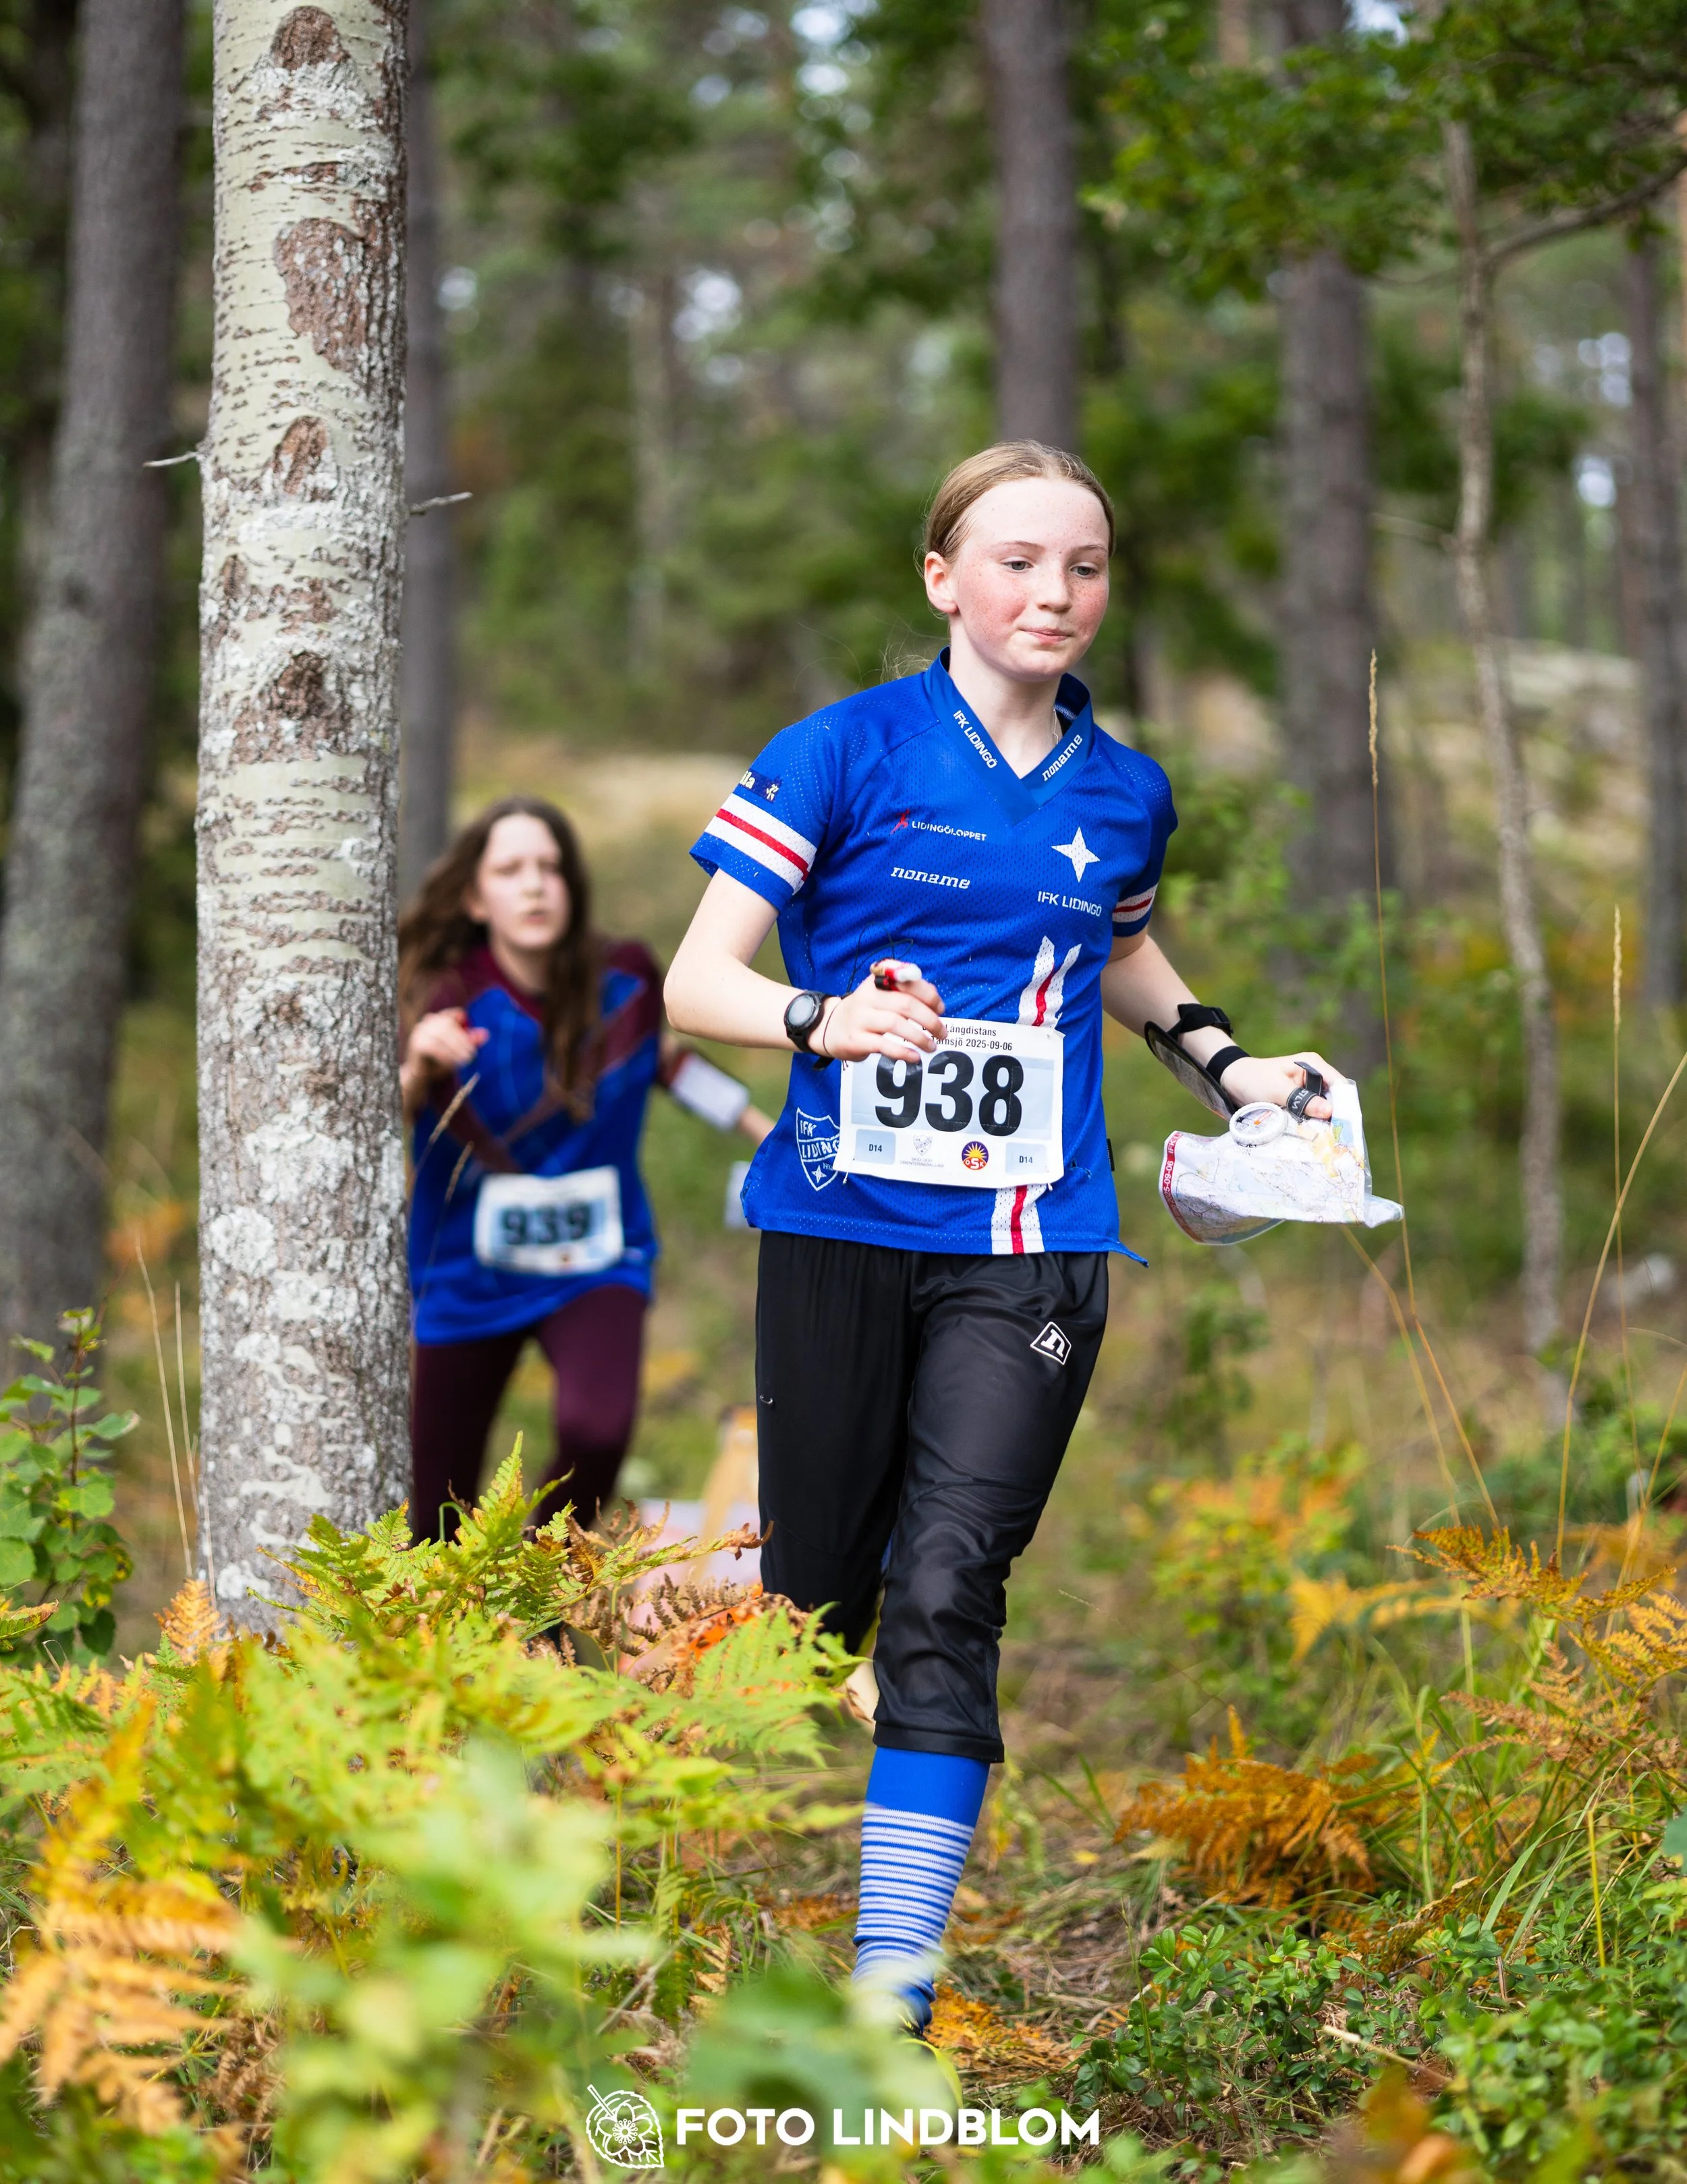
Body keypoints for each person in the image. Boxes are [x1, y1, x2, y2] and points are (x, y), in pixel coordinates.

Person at [664, 441, 1335, 2033]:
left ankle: (891, 1993)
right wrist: (823, 1018)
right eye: (1019, 560)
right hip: (838, 1219)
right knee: (815, 1609)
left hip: (1033, 1235)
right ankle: (647, 1884)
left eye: (1084, 566)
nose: (1055, 593)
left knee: (954, 1581)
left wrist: (1235, 1064)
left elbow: (1119, 947)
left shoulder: (1123, 789)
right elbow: (697, 985)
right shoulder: (838, 753)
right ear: (942, 578)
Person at [401, 795, 771, 1543]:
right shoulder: (447, 999)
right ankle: (444, 1639)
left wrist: (767, 1131)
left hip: (596, 1260)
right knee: (437, 1501)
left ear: (572, 886)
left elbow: (671, 1065)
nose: (535, 885)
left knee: (597, 1434)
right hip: (468, 1271)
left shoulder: (626, 981)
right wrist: (416, 1062)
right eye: (510, 870)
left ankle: (539, 1589)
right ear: (476, 897)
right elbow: (386, 1118)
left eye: (550, 867)